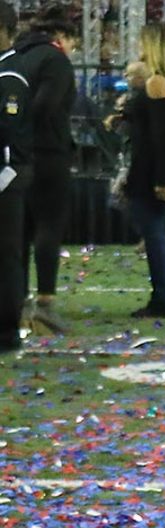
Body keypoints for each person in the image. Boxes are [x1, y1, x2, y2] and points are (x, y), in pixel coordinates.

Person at [12, 3, 75, 336]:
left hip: (13, 157)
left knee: (18, 231)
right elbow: (46, 105)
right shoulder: (55, 60)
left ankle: (17, 303)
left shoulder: (15, 57)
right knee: (48, 226)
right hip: (48, 153)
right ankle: (45, 305)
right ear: (61, 35)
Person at [116, 23, 165, 319]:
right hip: (153, 166)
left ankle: (163, 297)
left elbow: (163, 135)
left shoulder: (157, 82)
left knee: (153, 233)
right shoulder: (163, 81)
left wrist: (162, 178)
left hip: (150, 169)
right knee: (154, 231)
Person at [0, 0, 31, 353]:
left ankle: (7, 331)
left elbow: (7, 129)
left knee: (6, 255)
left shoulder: (11, 75)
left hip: (6, 175)